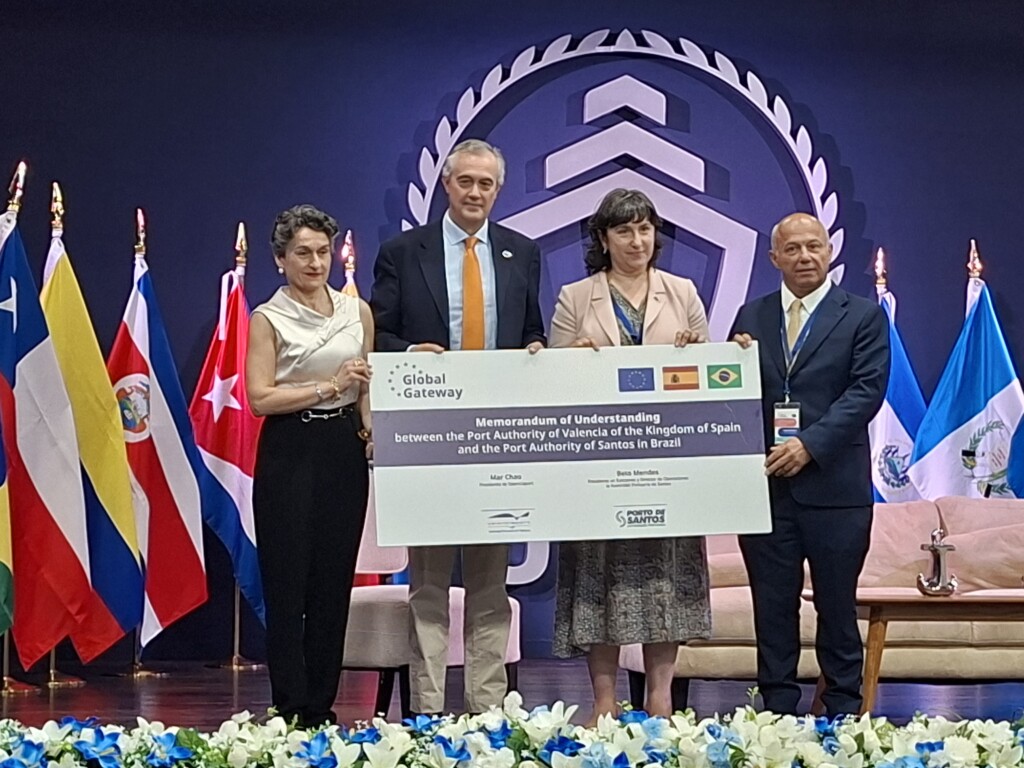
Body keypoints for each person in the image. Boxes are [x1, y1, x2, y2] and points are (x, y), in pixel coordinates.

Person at [371, 139, 546, 715]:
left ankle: (486, 710)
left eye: (485, 184)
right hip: (429, 439)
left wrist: (537, 349)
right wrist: (410, 352)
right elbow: (378, 335)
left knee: (490, 585)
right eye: (465, 181)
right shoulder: (403, 252)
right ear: (447, 185)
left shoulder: (522, 253)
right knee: (428, 583)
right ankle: (425, 710)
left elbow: (531, 329)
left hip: (496, 439)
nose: (475, 192)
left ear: (499, 190)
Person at [549, 188, 712, 719]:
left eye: (645, 229)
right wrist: (569, 359)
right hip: (597, 464)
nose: (636, 240)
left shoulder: (682, 292)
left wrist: (699, 354)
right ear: (603, 239)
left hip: (667, 462)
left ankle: (660, 698)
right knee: (597, 575)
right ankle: (603, 702)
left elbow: (711, 379)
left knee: (666, 574)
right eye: (623, 230)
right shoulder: (576, 297)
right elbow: (551, 382)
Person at [730, 212, 889, 716]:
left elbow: (865, 392)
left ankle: (842, 713)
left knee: (837, 607)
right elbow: (730, 391)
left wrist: (809, 445)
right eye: (793, 248)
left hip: (836, 489)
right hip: (767, 489)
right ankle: (775, 713)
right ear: (774, 257)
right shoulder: (750, 317)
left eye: (813, 246)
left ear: (829, 251)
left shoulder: (862, 315)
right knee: (772, 608)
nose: (805, 257)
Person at [246, 204, 374, 728]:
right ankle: (289, 706)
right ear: (281, 259)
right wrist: (328, 386)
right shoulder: (267, 318)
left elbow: (365, 387)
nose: (316, 262)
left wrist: (369, 433)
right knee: (287, 585)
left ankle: (321, 706)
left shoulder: (357, 311)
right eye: (303, 253)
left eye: (323, 252)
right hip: (289, 450)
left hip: (343, 450)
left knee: (332, 583)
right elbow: (259, 398)